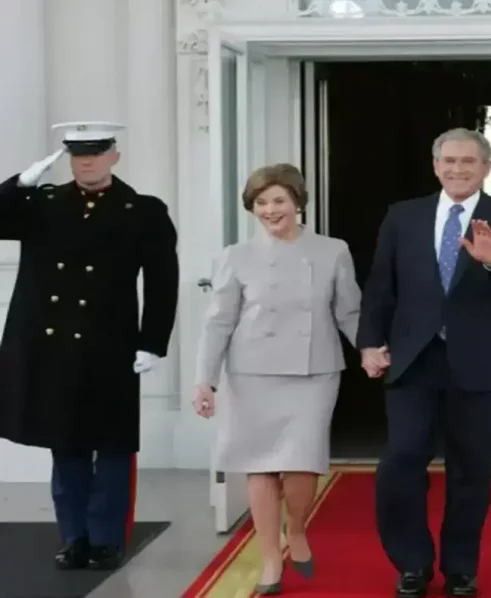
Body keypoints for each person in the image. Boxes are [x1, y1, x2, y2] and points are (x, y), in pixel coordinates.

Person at [358, 128, 491, 597]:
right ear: (435, 165)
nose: (458, 169)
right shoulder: (404, 215)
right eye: (449, 161)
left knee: (470, 468)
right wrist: (368, 343)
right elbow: (381, 285)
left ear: (486, 167)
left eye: (469, 162)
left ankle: (461, 566)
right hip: (413, 359)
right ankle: (412, 563)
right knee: (401, 461)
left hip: (478, 360)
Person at [0, 121, 179, 570]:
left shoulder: (143, 210)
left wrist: (153, 342)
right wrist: (19, 184)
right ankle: (74, 535)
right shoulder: (42, 204)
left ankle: (104, 538)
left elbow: (162, 282)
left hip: (109, 343)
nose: (86, 162)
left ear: (114, 155)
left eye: (96, 153)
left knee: (113, 444)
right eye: (78, 154)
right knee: (66, 444)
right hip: (52, 344)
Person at [193, 163, 362, 595]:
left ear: (298, 202)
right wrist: (204, 380)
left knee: (302, 462)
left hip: (314, 370)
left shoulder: (332, 250)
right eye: (261, 203)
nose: (270, 210)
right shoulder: (236, 256)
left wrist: (370, 350)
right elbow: (217, 323)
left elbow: (349, 312)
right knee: (261, 467)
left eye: (279, 201)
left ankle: (298, 527)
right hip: (252, 372)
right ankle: (270, 557)